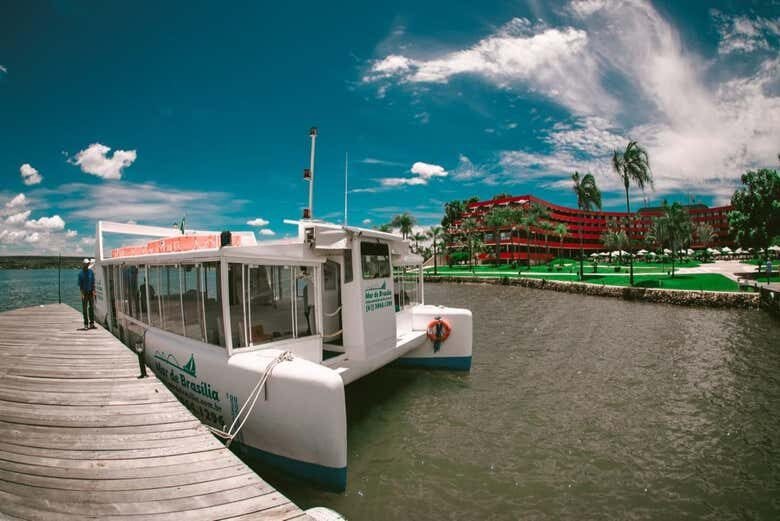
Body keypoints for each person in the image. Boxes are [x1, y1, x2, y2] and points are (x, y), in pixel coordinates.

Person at [77, 258, 96, 329]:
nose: (88, 265)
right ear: (84, 264)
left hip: (91, 292)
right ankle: (85, 324)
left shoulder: (91, 272)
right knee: (84, 309)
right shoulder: (80, 273)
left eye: (88, 264)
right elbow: (80, 285)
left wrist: (94, 292)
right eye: (86, 264)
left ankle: (92, 324)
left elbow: (93, 282)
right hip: (84, 293)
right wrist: (81, 294)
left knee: (91, 308)